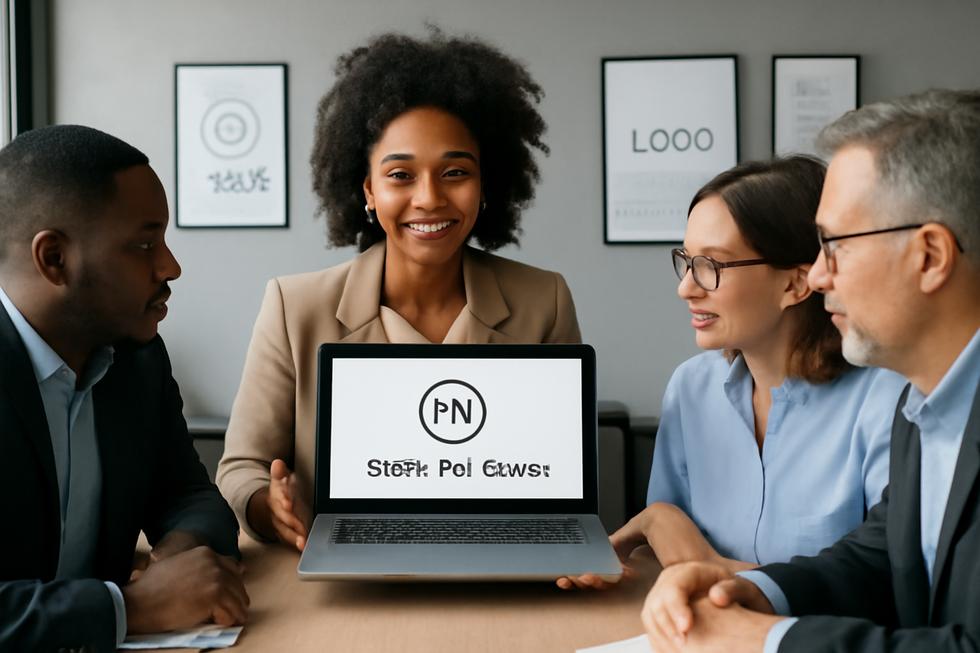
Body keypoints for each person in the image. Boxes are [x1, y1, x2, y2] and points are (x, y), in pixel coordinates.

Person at [641, 88, 980, 653]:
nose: (819, 277)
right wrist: (753, 591)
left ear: (930, 257)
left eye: (835, 245)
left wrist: (770, 640)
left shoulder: (894, 396)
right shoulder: (929, 406)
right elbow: (880, 556)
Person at [216, 30, 581, 550]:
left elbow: (562, 475)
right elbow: (241, 468)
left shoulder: (544, 301)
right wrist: (268, 507)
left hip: (499, 562)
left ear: (485, 186)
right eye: (401, 175)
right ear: (368, 189)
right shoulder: (293, 308)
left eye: (455, 172)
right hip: (342, 575)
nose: (429, 198)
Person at [557, 157, 907, 591]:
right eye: (686, 261)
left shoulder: (889, 400)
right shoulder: (690, 388)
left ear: (796, 284)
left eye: (712, 266)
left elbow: (886, 589)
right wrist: (638, 544)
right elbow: (671, 557)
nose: (686, 287)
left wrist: (693, 551)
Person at [0, 125, 249, 651]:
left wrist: (181, 553)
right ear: (55, 259)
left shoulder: (137, 358)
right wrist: (130, 607)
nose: (170, 266)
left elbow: (187, 492)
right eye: (143, 244)